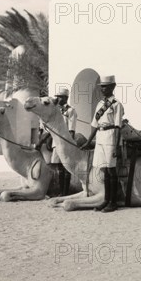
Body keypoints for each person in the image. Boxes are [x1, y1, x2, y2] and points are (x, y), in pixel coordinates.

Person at [81, 75, 124, 213]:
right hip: (100, 137)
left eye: (105, 86)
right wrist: (88, 142)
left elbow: (118, 126)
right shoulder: (100, 104)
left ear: (113, 86)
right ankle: (106, 200)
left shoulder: (117, 105)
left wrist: (117, 146)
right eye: (101, 87)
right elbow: (95, 125)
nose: (102, 89)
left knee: (112, 170)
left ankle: (113, 202)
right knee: (104, 170)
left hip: (111, 137)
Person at [38, 87, 77, 196]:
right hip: (56, 143)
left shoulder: (70, 111)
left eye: (60, 97)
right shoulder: (56, 111)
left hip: (65, 142)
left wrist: (70, 144)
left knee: (66, 168)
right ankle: (61, 191)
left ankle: (66, 192)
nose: (58, 99)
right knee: (59, 167)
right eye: (57, 97)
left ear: (65, 98)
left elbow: (72, 130)